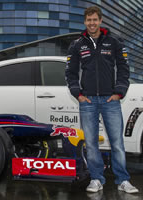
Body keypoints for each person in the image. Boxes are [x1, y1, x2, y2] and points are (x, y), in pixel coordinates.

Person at [65, 6, 139, 194]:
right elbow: (70, 73)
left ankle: (123, 180)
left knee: (117, 142)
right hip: (87, 101)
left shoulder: (114, 42)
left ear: (100, 20)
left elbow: (124, 69)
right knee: (91, 143)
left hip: (110, 101)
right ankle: (97, 179)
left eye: (95, 20)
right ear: (84, 22)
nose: (92, 23)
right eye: (88, 20)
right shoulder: (77, 44)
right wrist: (78, 95)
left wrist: (119, 92)